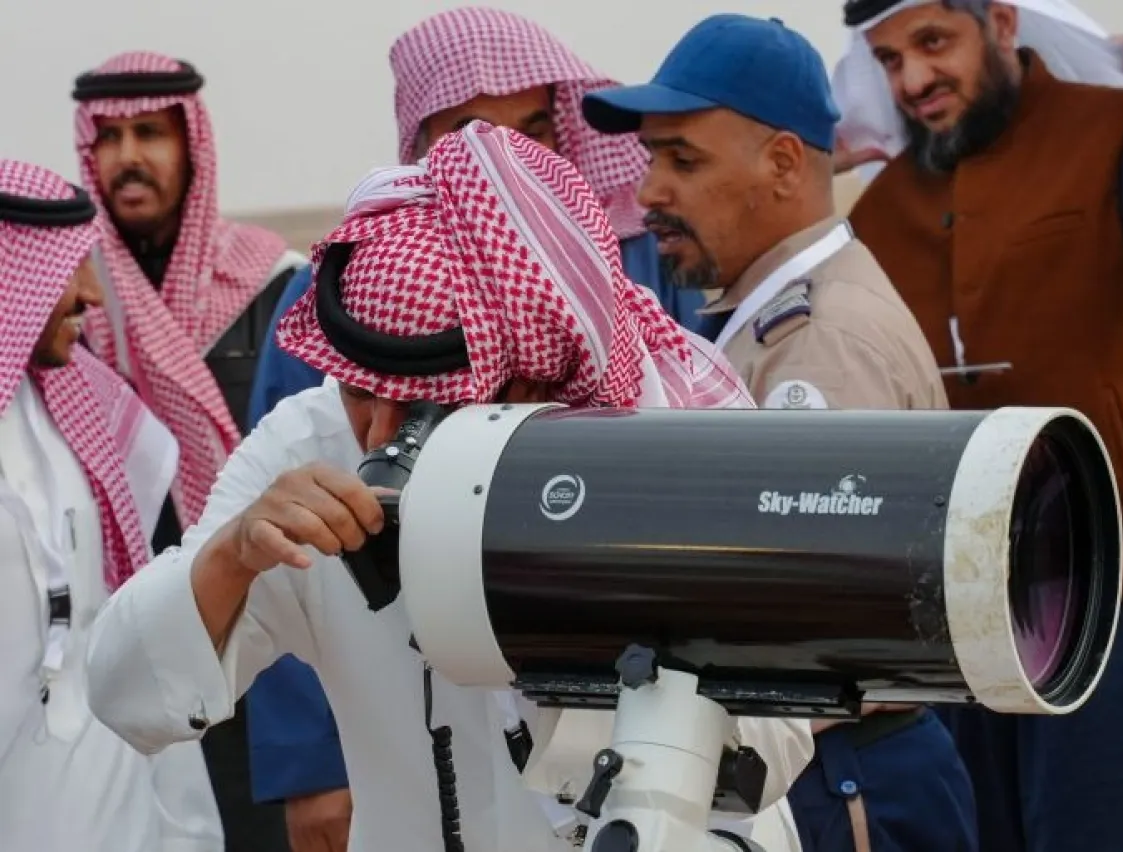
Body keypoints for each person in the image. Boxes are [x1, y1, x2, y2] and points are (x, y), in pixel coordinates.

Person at [84, 121, 811, 852]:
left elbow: (775, 744)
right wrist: (232, 557)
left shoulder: (662, 444)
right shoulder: (306, 444)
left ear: (528, 384)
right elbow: (127, 696)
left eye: (418, 408)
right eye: (358, 391)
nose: (377, 436)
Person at [242, 11, 711, 847]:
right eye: (470, 131)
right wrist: (310, 768)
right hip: (394, 701)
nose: (505, 152)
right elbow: (283, 533)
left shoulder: (617, 277)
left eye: (534, 126)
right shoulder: (347, 296)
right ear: (420, 144)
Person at [835, 1, 1123, 849]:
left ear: (1002, 24)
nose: (913, 79)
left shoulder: (1117, 133)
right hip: (959, 615)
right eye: (888, 60)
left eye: (933, 42)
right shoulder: (883, 206)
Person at [583, 14, 974, 852]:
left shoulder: (821, 341)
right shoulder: (770, 319)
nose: (650, 192)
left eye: (683, 160)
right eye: (652, 158)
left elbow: (807, 620)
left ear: (785, 163)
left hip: (840, 778)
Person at [72, 49, 306, 852]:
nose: (128, 156)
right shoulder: (69, 309)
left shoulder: (271, 288)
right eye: (109, 137)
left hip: (256, 642)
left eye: (150, 133)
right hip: (118, 652)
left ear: (192, 146)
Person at [0, 158, 221, 851]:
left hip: (110, 786)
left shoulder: (79, 401)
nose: (92, 293)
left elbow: (122, 608)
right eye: (68, 268)